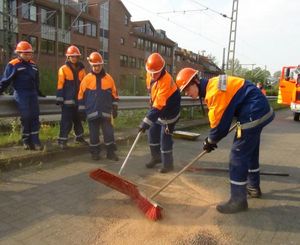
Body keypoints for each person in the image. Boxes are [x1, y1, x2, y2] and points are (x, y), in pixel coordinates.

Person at [176, 68, 274, 213]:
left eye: (187, 89)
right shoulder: (213, 85)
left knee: (237, 155)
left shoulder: (214, 92)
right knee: (250, 151)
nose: (187, 94)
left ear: (195, 81)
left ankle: (238, 200)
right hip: (259, 109)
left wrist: (210, 141)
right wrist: (212, 139)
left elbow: (219, 127)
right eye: (184, 91)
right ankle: (253, 187)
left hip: (254, 111)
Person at [139, 53, 181, 173]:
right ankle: (156, 158)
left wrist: (145, 122)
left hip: (170, 114)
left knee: (165, 138)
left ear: (162, 69)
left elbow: (159, 105)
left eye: (156, 73)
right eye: (151, 72)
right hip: (158, 110)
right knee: (152, 133)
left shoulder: (166, 80)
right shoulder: (150, 74)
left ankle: (168, 165)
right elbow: (152, 93)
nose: (153, 75)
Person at [0, 41, 44, 150]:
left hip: (32, 93)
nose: (28, 55)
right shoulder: (13, 64)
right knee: (26, 116)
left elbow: (36, 81)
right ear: (19, 53)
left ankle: (35, 141)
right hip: (21, 93)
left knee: (35, 116)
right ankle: (26, 141)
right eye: (25, 54)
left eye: (29, 53)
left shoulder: (33, 65)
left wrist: (38, 92)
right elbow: (5, 80)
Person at [78, 52, 119, 161]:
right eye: (94, 65)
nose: (96, 68)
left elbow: (114, 94)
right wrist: (81, 111)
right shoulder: (86, 79)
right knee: (94, 135)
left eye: (98, 65)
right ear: (91, 65)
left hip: (106, 112)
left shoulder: (109, 78)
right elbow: (81, 96)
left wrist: (115, 108)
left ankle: (110, 153)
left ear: (102, 65)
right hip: (92, 112)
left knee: (109, 133)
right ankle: (95, 153)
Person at [56, 45, 88, 149]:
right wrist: (59, 98)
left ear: (78, 57)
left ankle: (79, 138)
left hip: (78, 101)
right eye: (72, 56)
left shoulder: (82, 70)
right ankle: (62, 141)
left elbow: (84, 86)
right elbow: (60, 84)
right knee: (66, 121)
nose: (74, 58)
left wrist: (85, 99)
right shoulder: (63, 69)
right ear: (68, 57)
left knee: (78, 120)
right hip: (67, 102)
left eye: (76, 56)